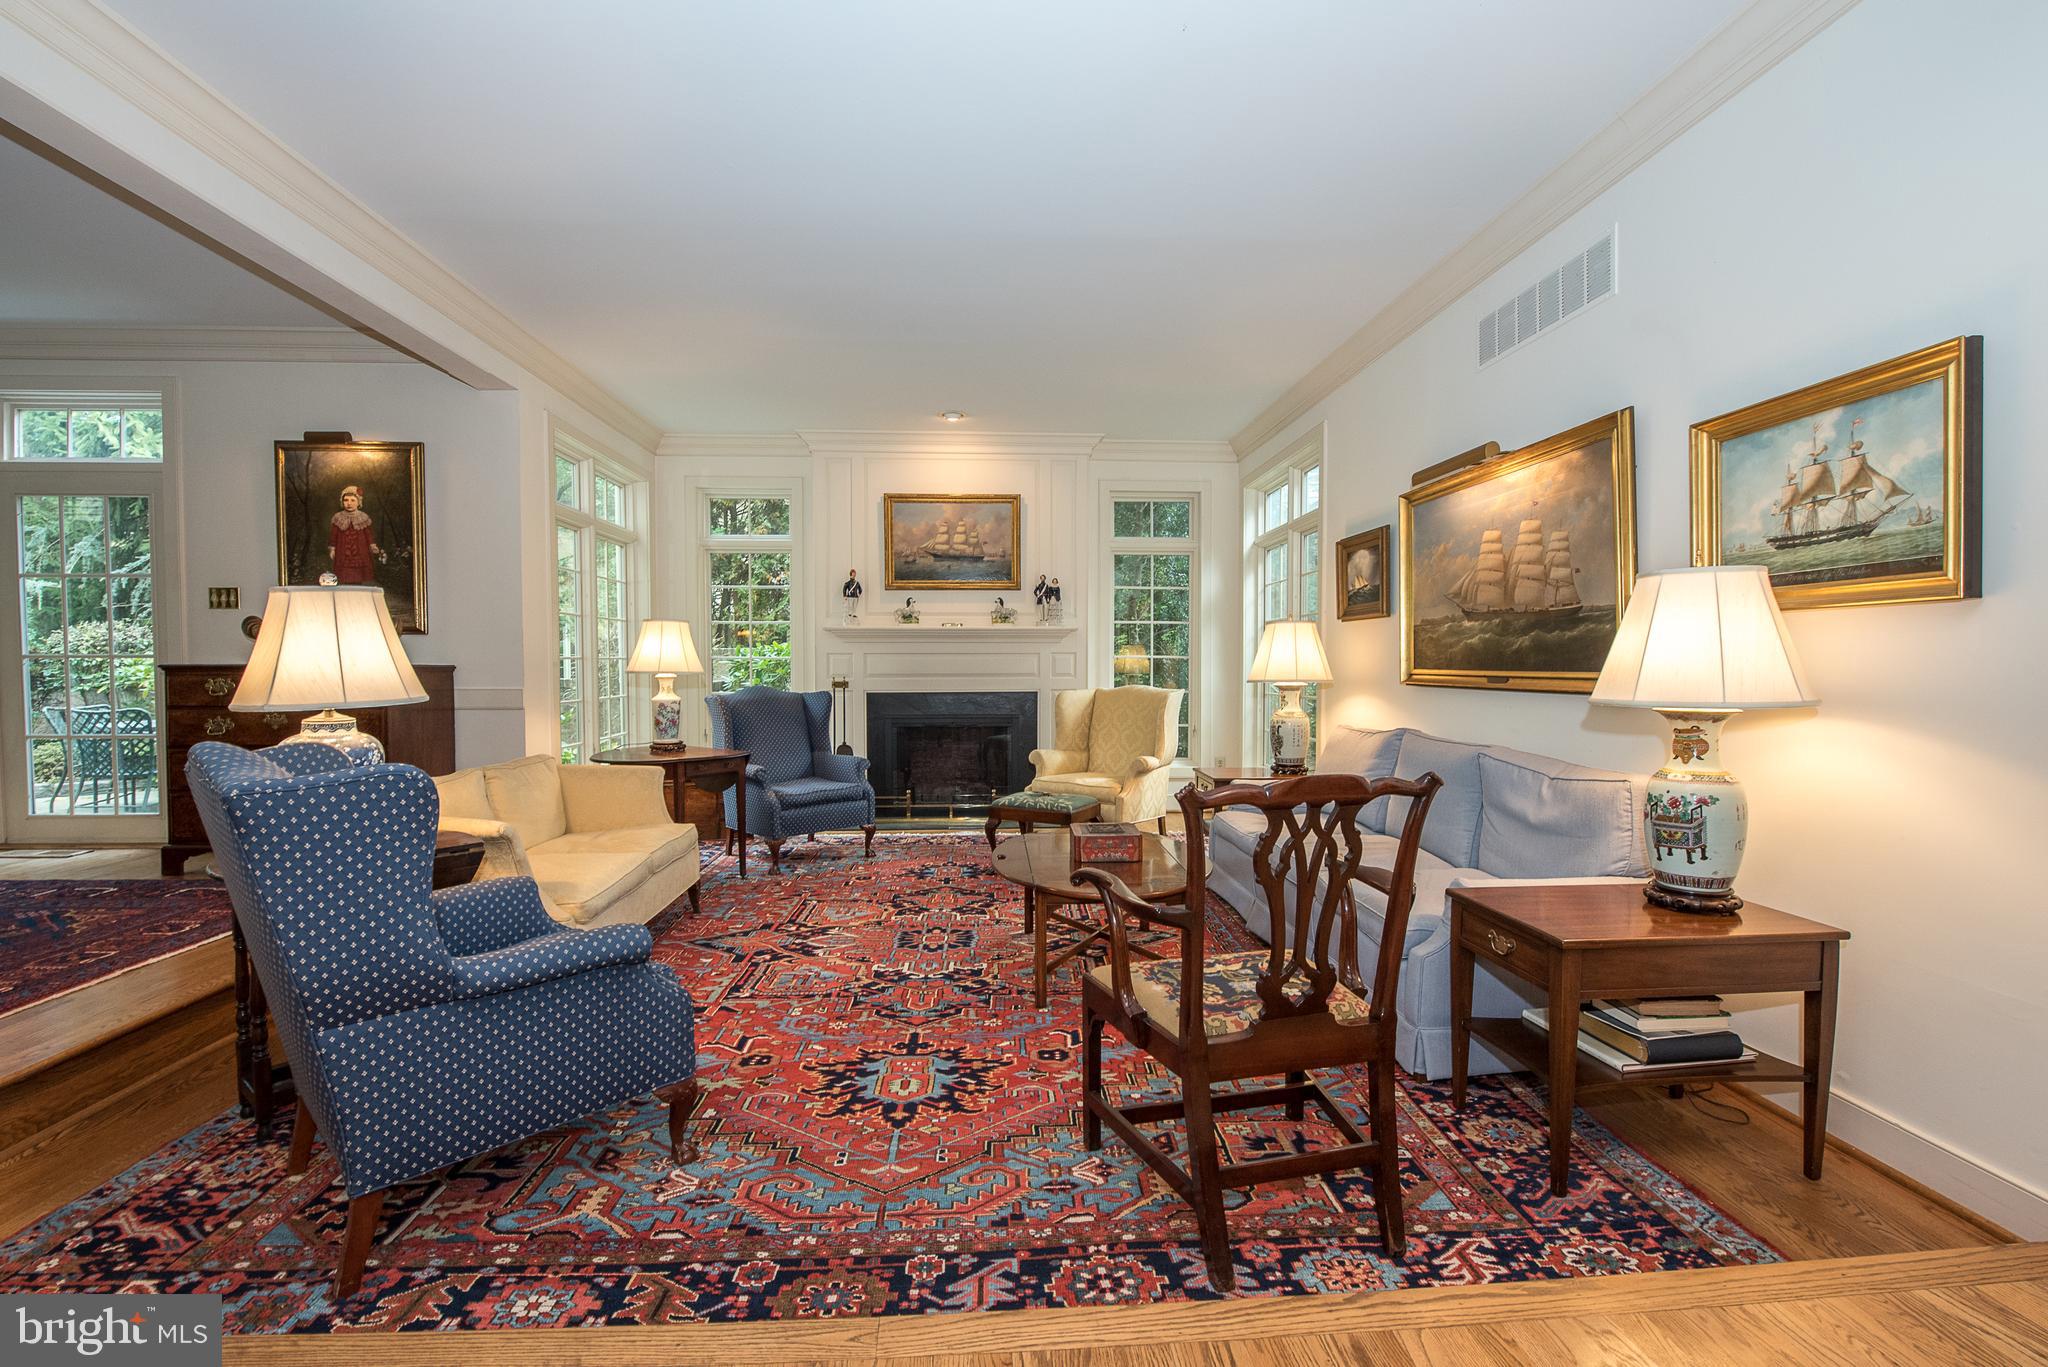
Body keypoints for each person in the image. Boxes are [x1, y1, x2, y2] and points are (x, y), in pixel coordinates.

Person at [328, 485, 385, 585]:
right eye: (346, 500)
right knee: (344, 576)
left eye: (352, 500)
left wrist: (372, 545)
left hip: (360, 553)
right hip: (343, 552)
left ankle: (358, 592)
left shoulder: (363, 517)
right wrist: (332, 548)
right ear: (342, 502)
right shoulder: (338, 517)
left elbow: (368, 534)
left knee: (358, 577)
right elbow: (334, 535)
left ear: (359, 502)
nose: (349, 503)